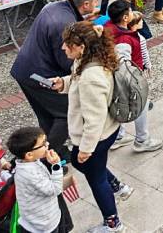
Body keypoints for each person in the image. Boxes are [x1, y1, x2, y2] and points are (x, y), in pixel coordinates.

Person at [52, 21, 131, 232]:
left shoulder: (90, 76)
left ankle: (113, 223)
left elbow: (93, 119)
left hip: (98, 136)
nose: (63, 47)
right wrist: (64, 83)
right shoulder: (90, 60)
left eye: (67, 44)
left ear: (81, 47)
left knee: (95, 179)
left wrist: (86, 149)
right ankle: (118, 186)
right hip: (107, 131)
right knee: (84, 166)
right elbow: (79, 81)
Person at [10, 0, 102, 164]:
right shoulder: (65, 24)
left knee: (46, 114)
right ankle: (47, 157)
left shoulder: (54, 7)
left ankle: (53, 150)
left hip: (24, 69)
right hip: (41, 75)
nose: (97, 5)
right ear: (85, 4)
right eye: (95, 2)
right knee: (65, 112)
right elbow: (66, 60)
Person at [105, 1, 163, 154]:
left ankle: (117, 136)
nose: (132, 13)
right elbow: (123, 64)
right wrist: (134, 82)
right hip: (130, 78)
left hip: (116, 77)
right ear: (125, 18)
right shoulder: (125, 39)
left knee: (119, 104)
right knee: (140, 104)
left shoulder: (109, 27)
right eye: (130, 11)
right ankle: (142, 140)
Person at [6, 126, 67, 233]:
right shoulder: (30, 174)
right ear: (29, 155)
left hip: (38, 218)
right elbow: (55, 190)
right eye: (43, 144)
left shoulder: (27, 163)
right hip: (44, 224)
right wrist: (56, 166)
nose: (47, 145)